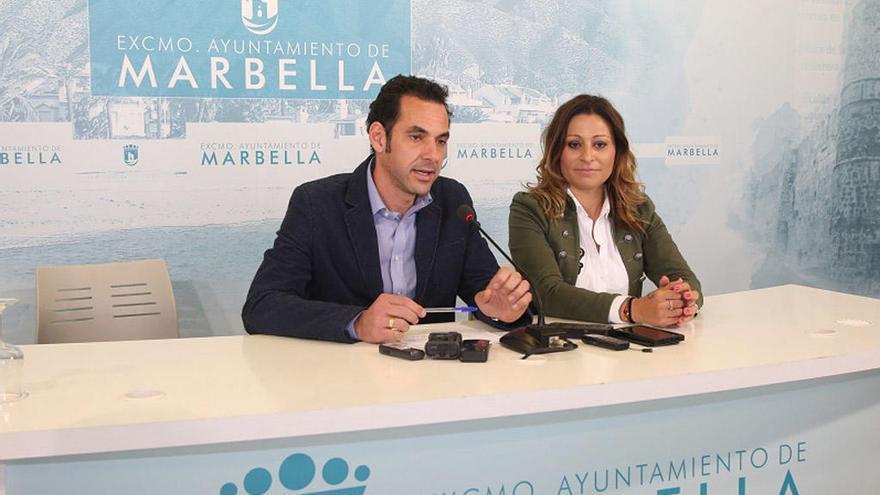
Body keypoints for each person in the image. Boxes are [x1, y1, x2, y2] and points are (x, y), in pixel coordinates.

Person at [243, 75, 532, 343]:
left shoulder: (452, 200)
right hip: (340, 378)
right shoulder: (317, 203)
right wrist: (357, 323)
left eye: (441, 141)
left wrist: (501, 311)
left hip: (432, 378)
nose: (433, 155)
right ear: (379, 137)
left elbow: (486, 295)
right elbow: (262, 304)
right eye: (417, 137)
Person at [508, 95, 702, 327]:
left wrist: (681, 300)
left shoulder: (639, 208)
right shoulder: (529, 209)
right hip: (560, 351)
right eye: (574, 144)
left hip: (630, 350)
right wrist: (631, 309)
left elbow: (684, 278)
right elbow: (547, 294)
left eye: (600, 145)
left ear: (616, 151)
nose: (588, 157)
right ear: (556, 151)